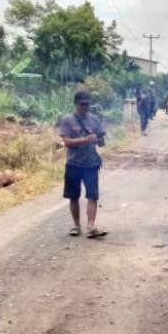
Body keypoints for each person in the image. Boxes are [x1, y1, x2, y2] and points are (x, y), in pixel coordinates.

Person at [59, 90, 108, 238]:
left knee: (92, 196)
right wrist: (84, 139)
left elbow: (102, 142)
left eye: (87, 104)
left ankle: (91, 226)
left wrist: (98, 140)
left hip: (91, 163)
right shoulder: (67, 120)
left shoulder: (95, 120)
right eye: (82, 104)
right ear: (76, 104)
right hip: (74, 163)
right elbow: (66, 141)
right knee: (73, 196)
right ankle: (76, 226)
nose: (84, 107)